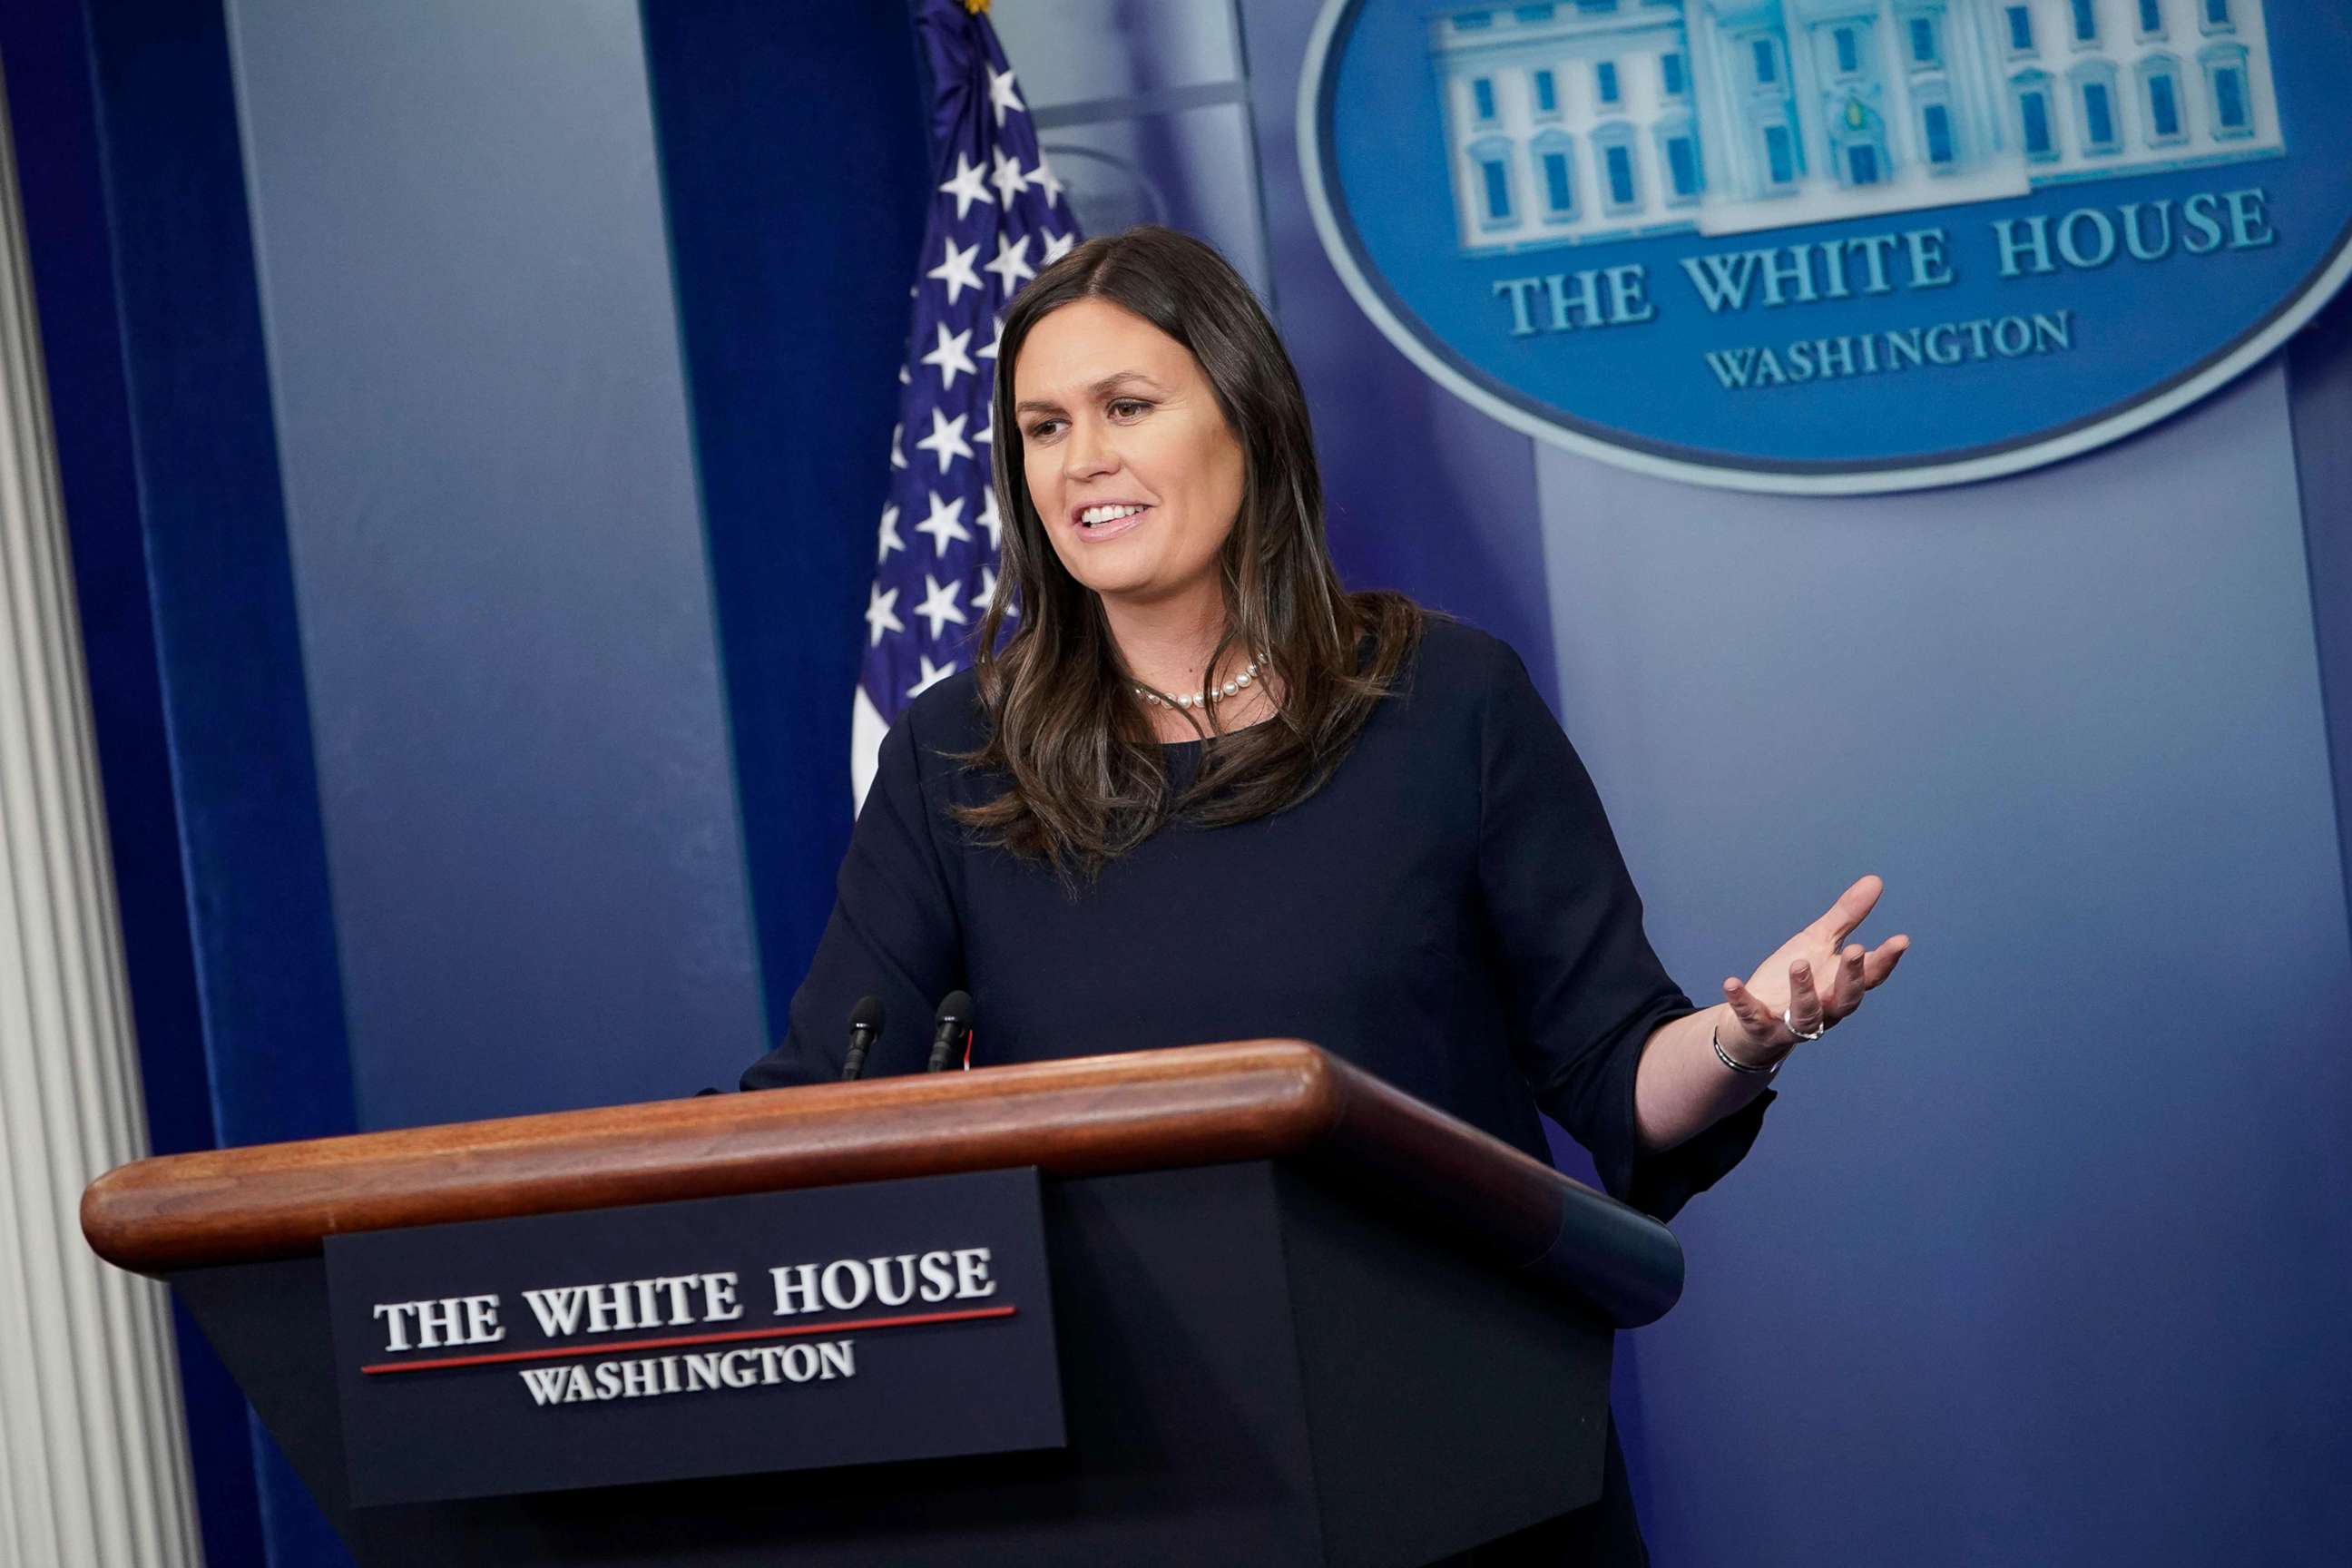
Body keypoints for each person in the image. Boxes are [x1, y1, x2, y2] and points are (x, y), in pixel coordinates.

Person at [740, 225, 1909, 1561]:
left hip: (1464, 1456)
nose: (1083, 461)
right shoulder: (958, 752)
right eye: (1044, 426)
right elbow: (822, 1098)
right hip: (1129, 1481)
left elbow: (1616, 1073)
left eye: (1128, 408)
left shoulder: (1447, 702)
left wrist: (1752, 1035)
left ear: (1247, 415)